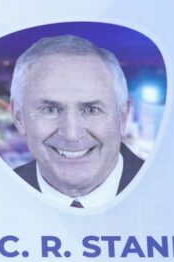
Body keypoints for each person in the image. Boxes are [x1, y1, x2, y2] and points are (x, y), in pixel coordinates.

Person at [10, 34, 144, 213]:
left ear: (123, 117)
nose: (71, 134)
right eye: (50, 110)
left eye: (91, 110)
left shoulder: (172, 193)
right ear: (19, 117)